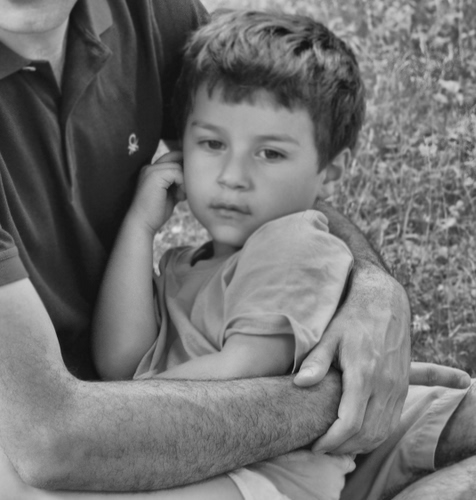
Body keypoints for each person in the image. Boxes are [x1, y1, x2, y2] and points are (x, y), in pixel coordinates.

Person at [0, 1, 471, 499]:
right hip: (140, 441)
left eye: (269, 153)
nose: (232, 176)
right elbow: (108, 375)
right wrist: (140, 227)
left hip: (262, 471)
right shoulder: (185, 267)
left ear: (331, 169)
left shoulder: (292, 249)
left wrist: (378, 291)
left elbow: (240, 373)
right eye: (212, 145)